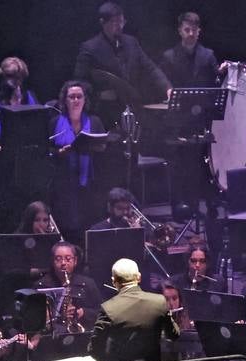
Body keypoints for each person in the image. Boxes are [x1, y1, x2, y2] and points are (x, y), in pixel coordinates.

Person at [74, 2, 171, 112]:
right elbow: (79, 82)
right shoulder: (90, 48)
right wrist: (99, 94)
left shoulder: (131, 42)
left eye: (121, 21)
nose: (119, 26)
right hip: (105, 110)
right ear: (102, 22)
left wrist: (167, 88)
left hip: (133, 106)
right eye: (115, 22)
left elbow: (151, 68)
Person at [49, 80, 108, 239]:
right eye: (71, 97)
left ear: (84, 99)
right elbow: (47, 150)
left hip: (89, 180)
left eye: (79, 96)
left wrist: (92, 147)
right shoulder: (54, 122)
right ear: (65, 100)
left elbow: (103, 146)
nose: (76, 100)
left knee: (88, 221)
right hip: (63, 181)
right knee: (66, 224)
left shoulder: (94, 121)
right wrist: (60, 151)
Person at [36, 241, 102, 330]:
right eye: (58, 259)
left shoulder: (88, 283)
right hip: (53, 333)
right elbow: (34, 317)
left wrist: (83, 312)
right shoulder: (41, 285)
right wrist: (59, 315)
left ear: (75, 261)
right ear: (52, 261)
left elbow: (101, 312)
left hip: (83, 332)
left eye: (68, 258)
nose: (63, 263)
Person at [159, 11, 219, 88]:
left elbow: (216, 81)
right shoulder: (169, 57)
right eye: (187, 30)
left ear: (198, 31)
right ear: (180, 31)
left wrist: (221, 72)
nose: (191, 33)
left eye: (194, 30)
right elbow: (162, 82)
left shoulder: (208, 55)